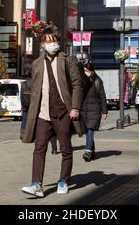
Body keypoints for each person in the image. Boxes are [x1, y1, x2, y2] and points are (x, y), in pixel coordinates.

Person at [22, 27, 86, 198]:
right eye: (49, 41)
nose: (52, 44)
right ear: (43, 44)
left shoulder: (68, 60)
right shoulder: (36, 63)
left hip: (64, 112)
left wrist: (75, 107)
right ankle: (36, 184)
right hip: (43, 113)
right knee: (39, 148)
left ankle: (63, 181)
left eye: (55, 41)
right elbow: (35, 89)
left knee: (65, 149)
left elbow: (77, 84)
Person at [82, 60, 108, 162]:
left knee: (90, 130)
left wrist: (104, 111)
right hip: (83, 110)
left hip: (94, 110)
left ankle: (87, 152)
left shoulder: (97, 81)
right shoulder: (81, 80)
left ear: (92, 71)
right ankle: (92, 152)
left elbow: (102, 96)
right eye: (83, 70)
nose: (85, 72)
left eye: (86, 70)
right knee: (87, 132)